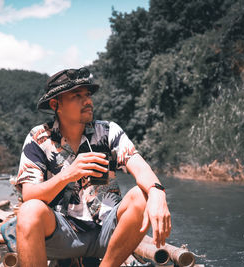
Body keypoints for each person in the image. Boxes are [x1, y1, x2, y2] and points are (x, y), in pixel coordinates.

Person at [12, 67, 171, 267]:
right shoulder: (38, 138)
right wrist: (68, 174)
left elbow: (139, 166)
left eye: (87, 94)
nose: (87, 100)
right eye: (76, 95)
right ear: (55, 104)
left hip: (109, 236)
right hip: (62, 235)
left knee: (142, 195)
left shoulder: (107, 131)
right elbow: (29, 194)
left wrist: (157, 193)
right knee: (29, 211)